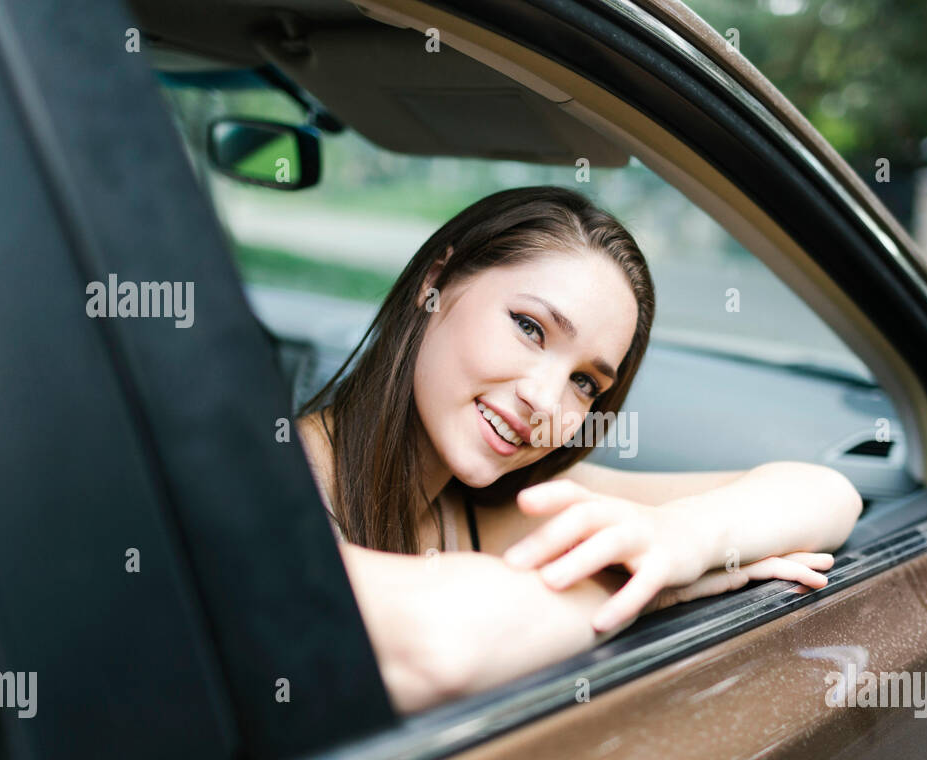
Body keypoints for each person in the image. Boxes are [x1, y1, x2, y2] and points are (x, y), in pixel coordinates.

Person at [295, 185, 862, 714]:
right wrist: (644, 587)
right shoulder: (270, 490)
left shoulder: (516, 505)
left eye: (585, 382)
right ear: (435, 282)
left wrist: (680, 540)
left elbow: (828, 494)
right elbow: (441, 647)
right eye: (529, 327)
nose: (546, 400)